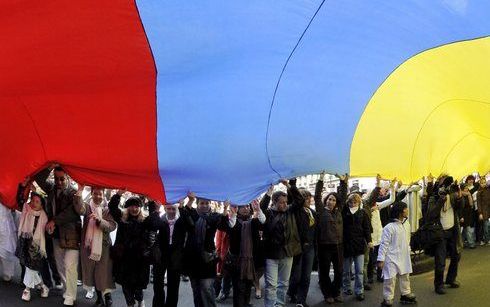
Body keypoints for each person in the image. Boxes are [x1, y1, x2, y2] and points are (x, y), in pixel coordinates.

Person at [35, 166, 83, 306]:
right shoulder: (51, 189)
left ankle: (70, 295)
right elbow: (39, 178)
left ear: (67, 177)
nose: (59, 181)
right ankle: (68, 291)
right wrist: (50, 166)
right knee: (61, 265)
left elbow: (73, 211)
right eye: (56, 178)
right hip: (56, 235)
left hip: (72, 235)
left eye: (62, 178)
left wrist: (54, 221)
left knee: (70, 266)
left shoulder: (73, 192)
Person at [183, 192, 236, 307]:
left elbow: (225, 226)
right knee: (196, 290)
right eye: (202, 203)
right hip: (193, 259)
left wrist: (226, 209)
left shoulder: (214, 217)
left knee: (207, 289)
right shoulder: (192, 215)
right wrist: (190, 200)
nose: (205, 205)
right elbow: (184, 215)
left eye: (207, 203)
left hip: (207, 259)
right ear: (197, 204)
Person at [260, 179, 304, 307]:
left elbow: (300, 201)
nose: (285, 205)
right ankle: (269, 305)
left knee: (284, 283)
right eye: (281, 202)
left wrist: (289, 186)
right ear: (274, 202)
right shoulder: (268, 213)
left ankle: (279, 304)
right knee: (271, 284)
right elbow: (261, 208)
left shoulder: (290, 211)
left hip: (287, 253)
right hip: (271, 254)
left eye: (286, 202)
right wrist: (268, 194)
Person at [109, 191, 150, 307]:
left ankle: (140, 302)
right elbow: (112, 207)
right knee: (126, 287)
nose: (134, 208)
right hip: (124, 261)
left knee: (138, 288)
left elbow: (155, 221)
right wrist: (118, 195)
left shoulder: (144, 221)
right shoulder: (122, 220)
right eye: (132, 206)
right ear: (127, 207)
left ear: (140, 208)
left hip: (139, 261)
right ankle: (130, 304)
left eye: (137, 206)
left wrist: (151, 201)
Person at [223, 200, 266, 307]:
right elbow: (228, 226)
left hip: (251, 262)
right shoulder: (234, 222)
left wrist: (258, 209)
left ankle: (246, 304)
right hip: (237, 262)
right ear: (238, 208)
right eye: (243, 207)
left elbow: (263, 222)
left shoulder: (253, 222)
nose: (246, 208)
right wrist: (231, 213)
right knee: (239, 290)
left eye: (247, 206)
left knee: (247, 288)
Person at [78, 187, 116, 306]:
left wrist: (100, 220)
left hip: (104, 247)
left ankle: (108, 296)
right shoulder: (87, 207)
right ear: (91, 194)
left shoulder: (108, 210)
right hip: (89, 246)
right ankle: (99, 298)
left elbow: (112, 226)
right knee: (93, 273)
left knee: (104, 272)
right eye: (95, 193)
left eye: (100, 194)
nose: (97, 196)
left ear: (103, 195)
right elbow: (79, 209)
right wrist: (79, 191)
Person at [426, 175, 463, 294]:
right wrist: (441, 199)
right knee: (440, 260)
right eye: (443, 183)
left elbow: (460, 207)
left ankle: (451, 279)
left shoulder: (452, 194)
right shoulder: (434, 197)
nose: (446, 186)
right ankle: (439, 285)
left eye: (447, 184)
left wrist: (459, 197)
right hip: (440, 233)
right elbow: (431, 215)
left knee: (456, 255)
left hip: (453, 231)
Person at [315, 173, 347, 304]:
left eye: (334, 200)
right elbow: (317, 196)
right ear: (325, 200)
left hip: (338, 246)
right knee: (324, 272)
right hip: (325, 246)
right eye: (329, 199)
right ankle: (327, 293)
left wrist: (343, 182)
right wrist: (321, 180)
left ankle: (336, 292)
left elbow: (343, 197)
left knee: (339, 271)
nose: (331, 201)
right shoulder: (321, 211)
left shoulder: (339, 211)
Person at [377, 202, 417, 306]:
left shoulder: (406, 225)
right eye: (406, 209)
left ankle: (405, 293)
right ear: (400, 211)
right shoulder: (389, 227)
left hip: (403, 256)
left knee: (405, 275)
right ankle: (388, 298)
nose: (407, 210)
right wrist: (381, 259)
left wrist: (408, 250)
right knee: (390, 279)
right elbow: (384, 244)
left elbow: (408, 240)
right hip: (391, 257)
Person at [15, 192, 50, 301]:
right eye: (32, 200)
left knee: (31, 267)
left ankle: (27, 290)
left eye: (37, 201)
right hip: (24, 242)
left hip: (36, 245)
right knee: (29, 266)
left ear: (42, 204)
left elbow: (46, 232)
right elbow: (20, 200)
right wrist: (26, 187)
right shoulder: (26, 209)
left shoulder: (44, 216)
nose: (34, 203)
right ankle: (43, 286)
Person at [288, 186, 317, 307]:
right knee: (296, 275)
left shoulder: (313, 212)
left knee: (306, 276)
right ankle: (291, 292)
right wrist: (290, 185)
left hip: (310, 248)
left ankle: (301, 300)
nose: (308, 200)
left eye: (309, 197)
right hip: (298, 248)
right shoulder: (296, 211)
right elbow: (295, 199)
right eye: (305, 198)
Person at [342, 191, 372, 301]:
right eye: (351, 201)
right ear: (348, 202)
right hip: (346, 245)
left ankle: (359, 291)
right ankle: (346, 288)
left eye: (355, 201)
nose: (353, 203)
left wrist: (369, 241)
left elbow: (367, 229)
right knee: (346, 270)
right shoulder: (343, 212)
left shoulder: (363, 213)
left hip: (359, 245)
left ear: (359, 202)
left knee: (359, 270)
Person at [0, 201, 17, 282]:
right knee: (6, 246)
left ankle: (8, 273)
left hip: (4, 221)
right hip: (4, 219)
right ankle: (7, 274)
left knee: (6, 247)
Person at [460, 183, 476, 249]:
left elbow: (471, 205)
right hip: (464, 215)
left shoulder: (469, 194)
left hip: (469, 214)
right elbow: (460, 208)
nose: (467, 189)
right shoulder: (461, 196)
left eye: (467, 188)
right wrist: (461, 216)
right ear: (462, 189)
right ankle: (471, 244)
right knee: (468, 229)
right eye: (465, 188)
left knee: (465, 230)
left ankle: (462, 243)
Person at [476, 177, 490, 245]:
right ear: (480, 183)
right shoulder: (478, 192)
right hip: (483, 211)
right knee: (485, 226)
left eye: (484, 182)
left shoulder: (488, 190)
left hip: (488, 210)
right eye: (482, 183)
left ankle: (485, 240)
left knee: (486, 226)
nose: (483, 184)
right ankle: (486, 240)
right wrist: (480, 213)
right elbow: (478, 203)